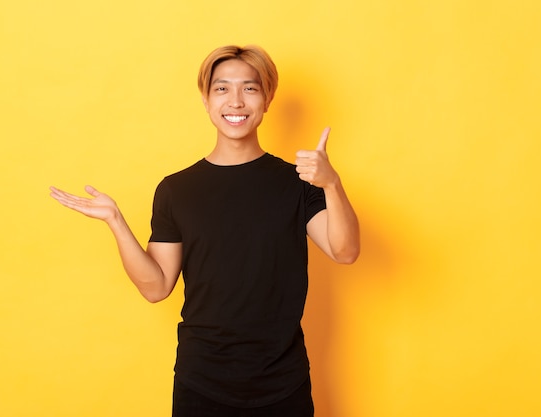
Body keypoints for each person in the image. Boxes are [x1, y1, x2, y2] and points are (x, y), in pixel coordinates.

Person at [50, 44, 360, 417]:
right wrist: (116, 222)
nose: (236, 101)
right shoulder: (176, 190)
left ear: (267, 99)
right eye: (222, 88)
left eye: (250, 88)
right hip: (202, 383)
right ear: (205, 99)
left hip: (283, 381)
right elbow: (156, 286)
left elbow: (345, 251)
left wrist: (331, 184)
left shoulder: (298, 184)